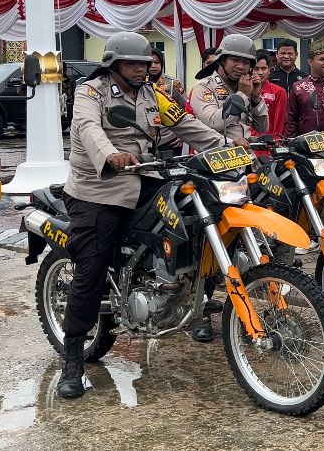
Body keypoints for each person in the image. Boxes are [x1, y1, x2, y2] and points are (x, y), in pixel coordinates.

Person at [58, 32, 226, 399]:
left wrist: (227, 146)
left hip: (142, 179)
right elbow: (88, 129)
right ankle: (72, 359)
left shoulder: (152, 94)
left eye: (146, 63)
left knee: (193, 211)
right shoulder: (92, 93)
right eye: (134, 63)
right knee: (91, 269)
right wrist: (110, 154)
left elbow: (185, 124)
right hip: (98, 190)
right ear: (114, 64)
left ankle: (171, 284)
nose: (143, 68)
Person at [188, 34, 270, 342]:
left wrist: (256, 96)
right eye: (235, 60)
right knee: (205, 246)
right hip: (209, 174)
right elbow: (213, 122)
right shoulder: (204, 88)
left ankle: (244, 312)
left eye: (247, 62)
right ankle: (199, 312)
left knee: (239, 241)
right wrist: (243, 98)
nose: (242, 66)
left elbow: (262, 125)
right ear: (222, 60)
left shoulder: (246, 88)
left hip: (241, 172)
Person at [148, 48, 186, 155]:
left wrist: (182, 135)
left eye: (157, 62)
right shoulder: (140, 83)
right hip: (146, 140)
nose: (153, 66)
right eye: (150, 63)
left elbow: (185, 108)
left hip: (170, 138)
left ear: (162, 63)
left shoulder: (173, 83)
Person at [251, 50, 287, 138]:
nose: (260, 72)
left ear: (269, 70)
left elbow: (279, 121)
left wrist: (275, 142)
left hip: (268, 144)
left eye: (263, 68)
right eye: (256, 69)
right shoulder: (243, 89)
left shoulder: (279, 91)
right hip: (247, 142)